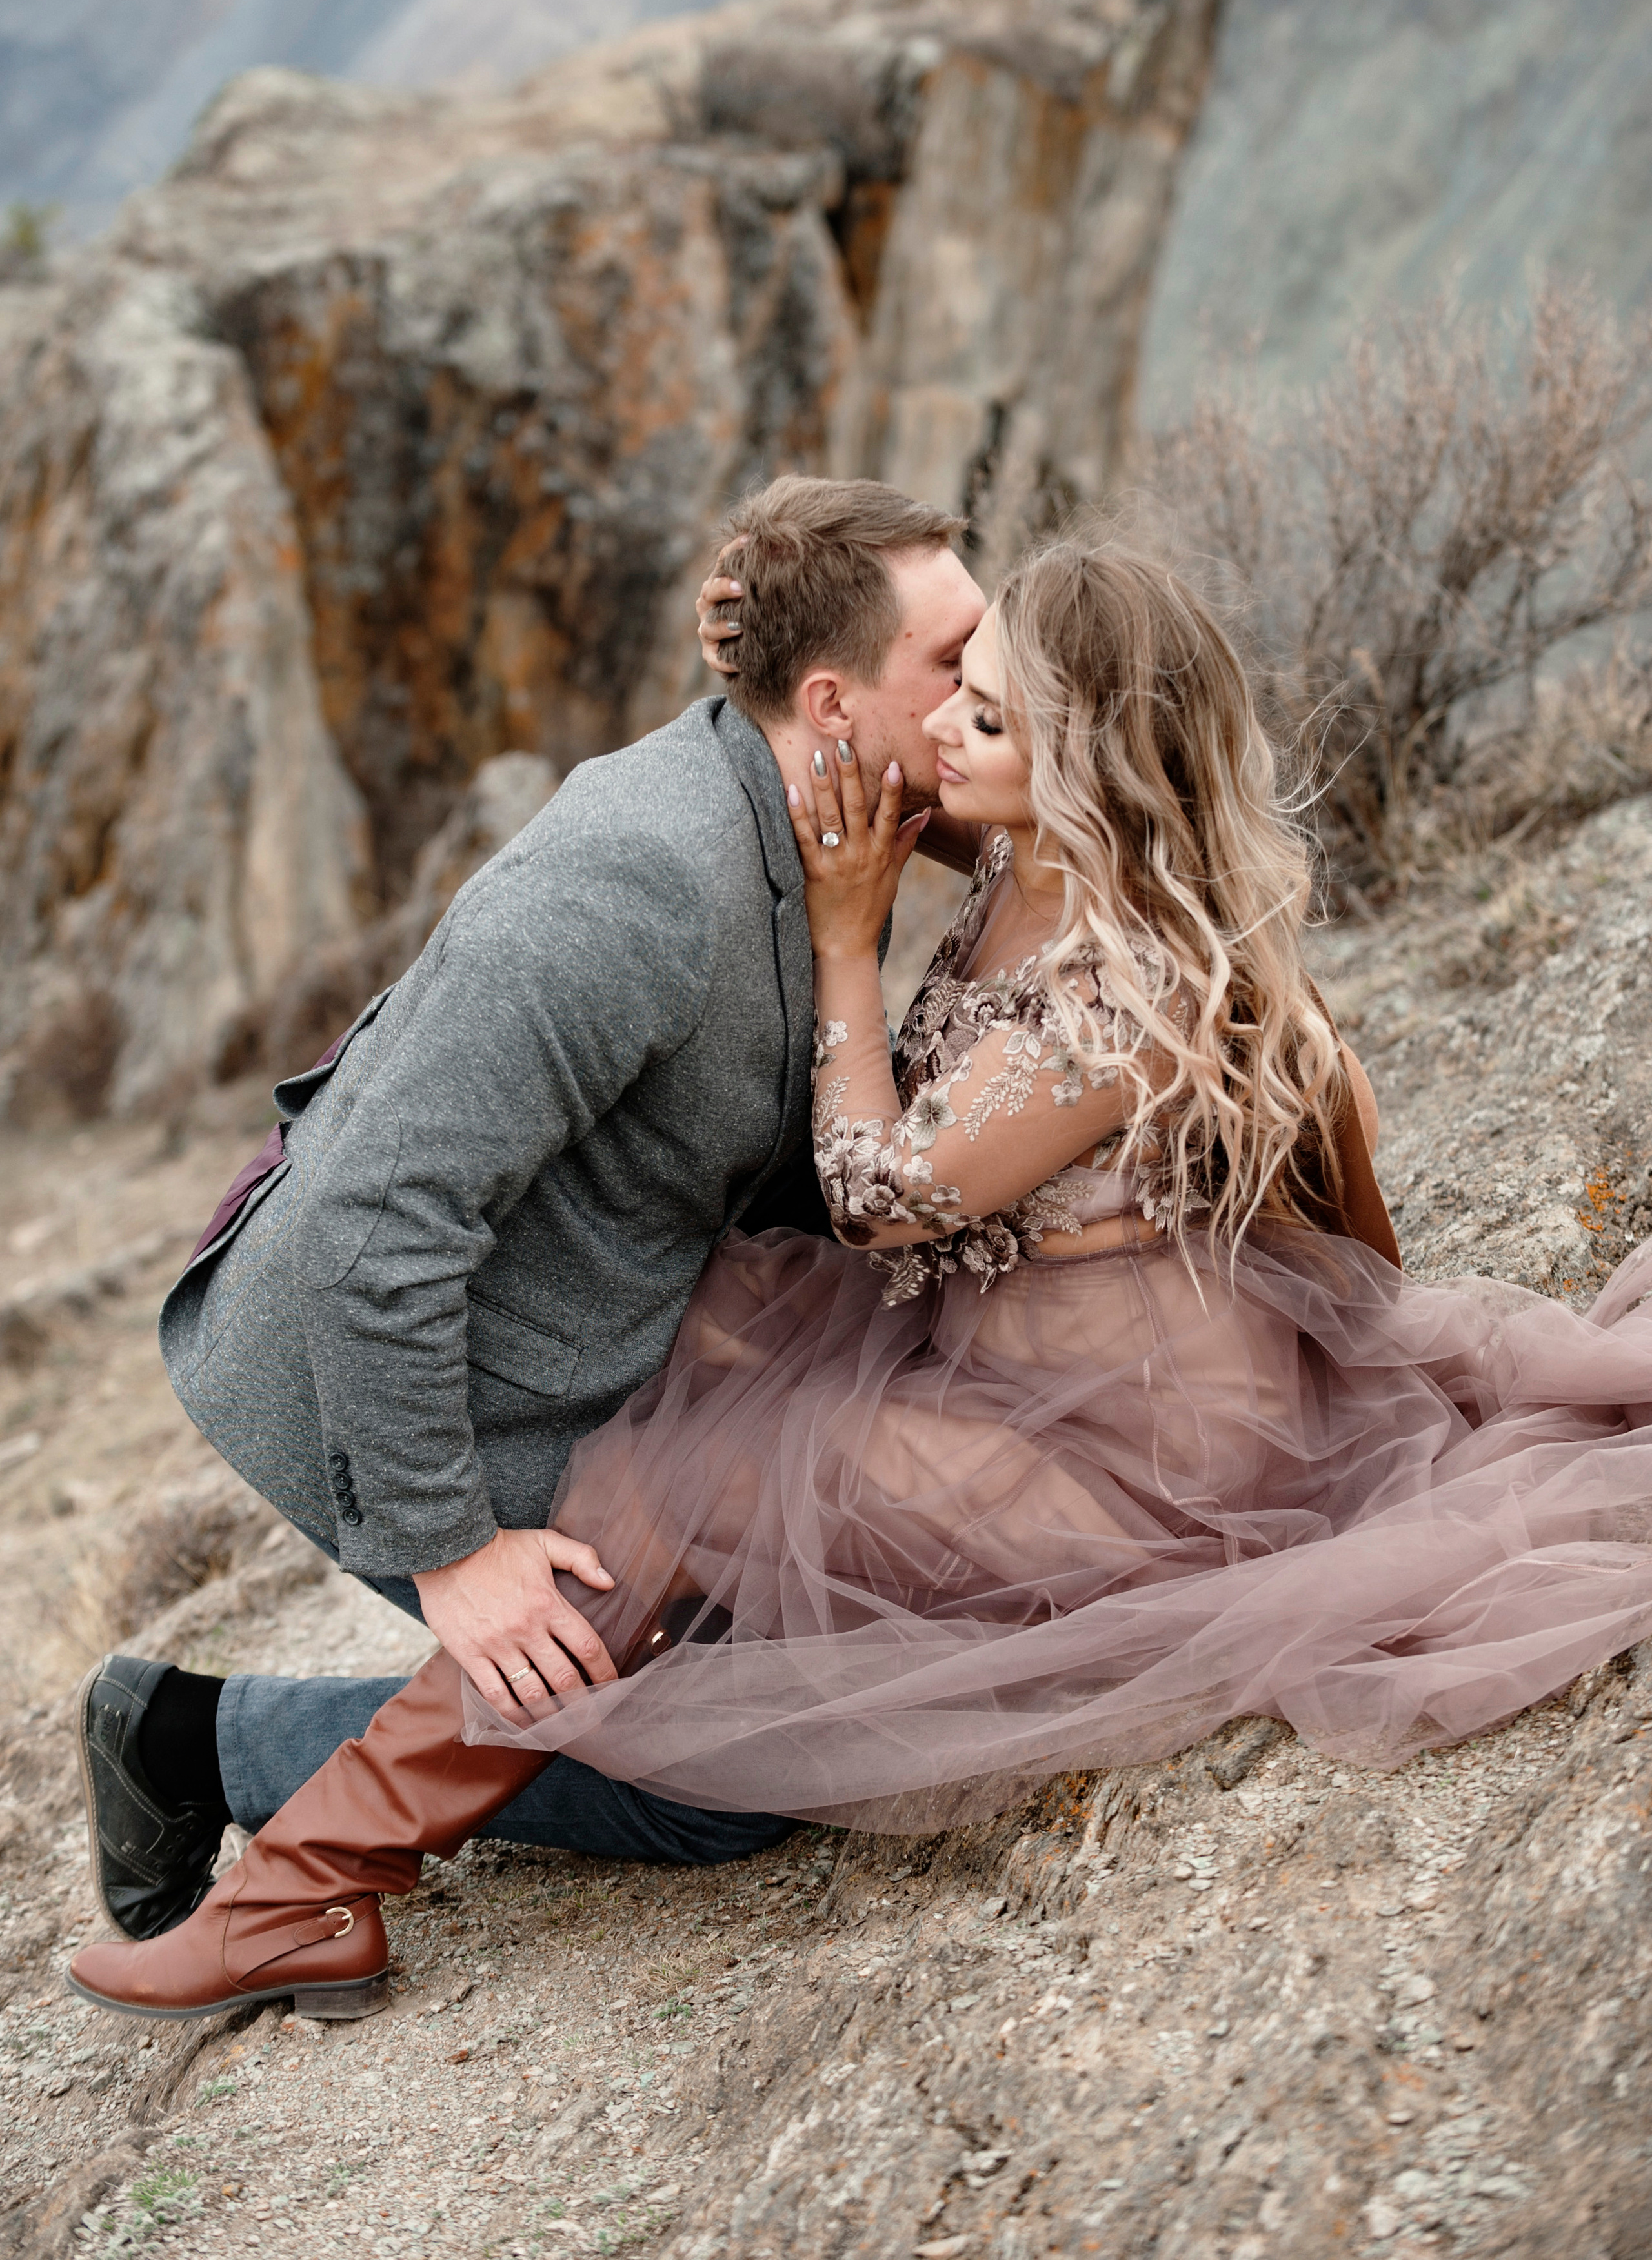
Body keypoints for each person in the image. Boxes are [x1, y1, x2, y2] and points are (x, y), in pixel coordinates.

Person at [70, 536, 1652, 2027]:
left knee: (693, 1510)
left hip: (1124, 1458)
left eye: (988, 707)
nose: (950, 731)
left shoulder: (1128, 980)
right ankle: (301, 1865)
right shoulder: (1024, 840)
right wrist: (770, 654)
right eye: (951, 686)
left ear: (1079, 758)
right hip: (1002, 1364)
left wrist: (843, 944)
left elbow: (889, 1205)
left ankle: (301, 1868)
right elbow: (863, 754)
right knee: (696, 1384)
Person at [72, 475, 986, 1946]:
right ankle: (186, 1739)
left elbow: (1025, 836)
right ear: (829, 700)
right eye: (952, 664)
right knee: (734, 1771)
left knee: (869, 1630)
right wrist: (453, 1553)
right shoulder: (636, 877)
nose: (980, 690)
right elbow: (378, 1217)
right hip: (389, 1368)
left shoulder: (839, 808)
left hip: (602, 1322)